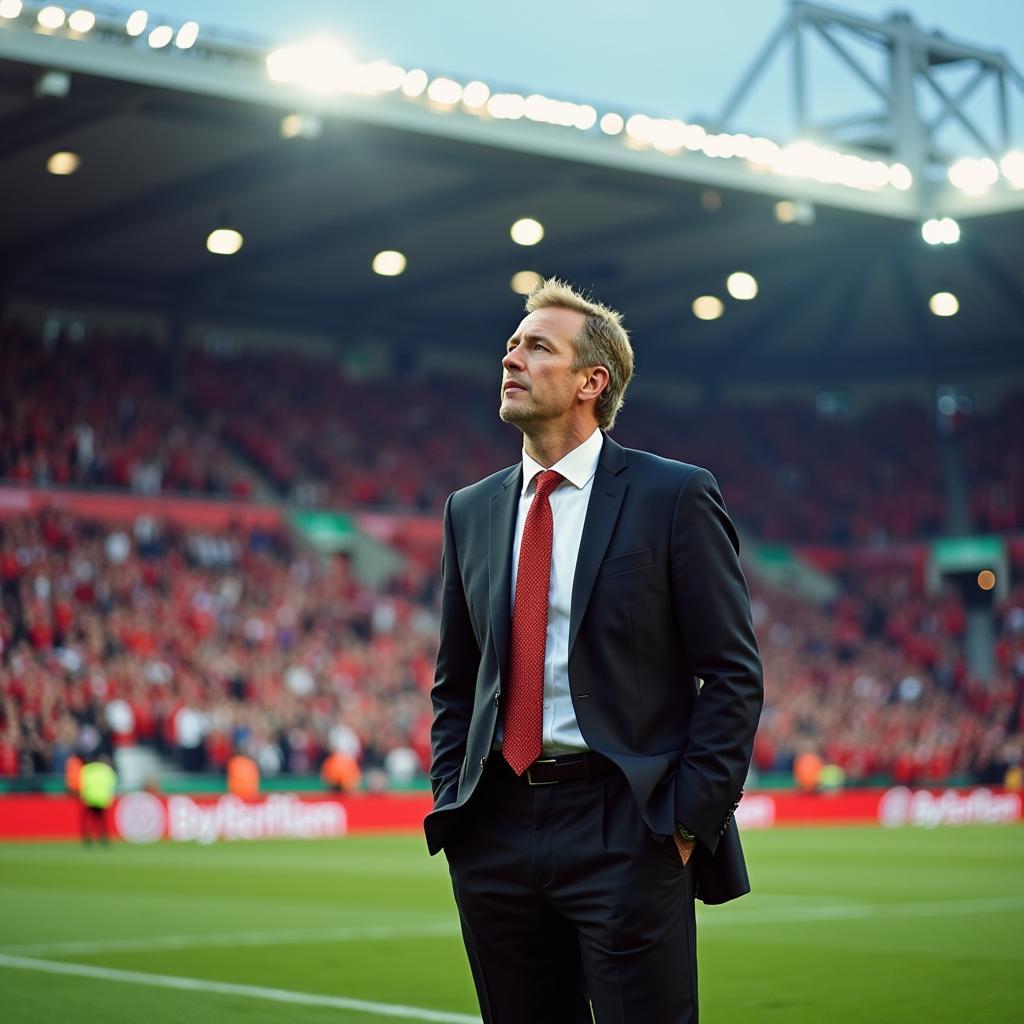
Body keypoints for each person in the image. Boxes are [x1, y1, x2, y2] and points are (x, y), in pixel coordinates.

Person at [426, 278, 763, 1024]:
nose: (510, 357)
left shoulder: (672, 495)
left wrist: (682, 821)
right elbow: (456, 683)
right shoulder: (471, 508)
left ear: (591, 381)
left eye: (536, 346)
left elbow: (733, 674)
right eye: (511, 344)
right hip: (496, 825)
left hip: (627, 822)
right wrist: (456, 799)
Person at [79, 754, 117, 846]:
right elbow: (112, 784)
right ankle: (103, 838)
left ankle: (88, 838)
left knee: (88, 820)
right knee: (102, 821)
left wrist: (83, 795)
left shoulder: (87, 769)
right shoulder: (108, 771)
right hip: (102, 798)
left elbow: (82, 782)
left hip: (90, 798)